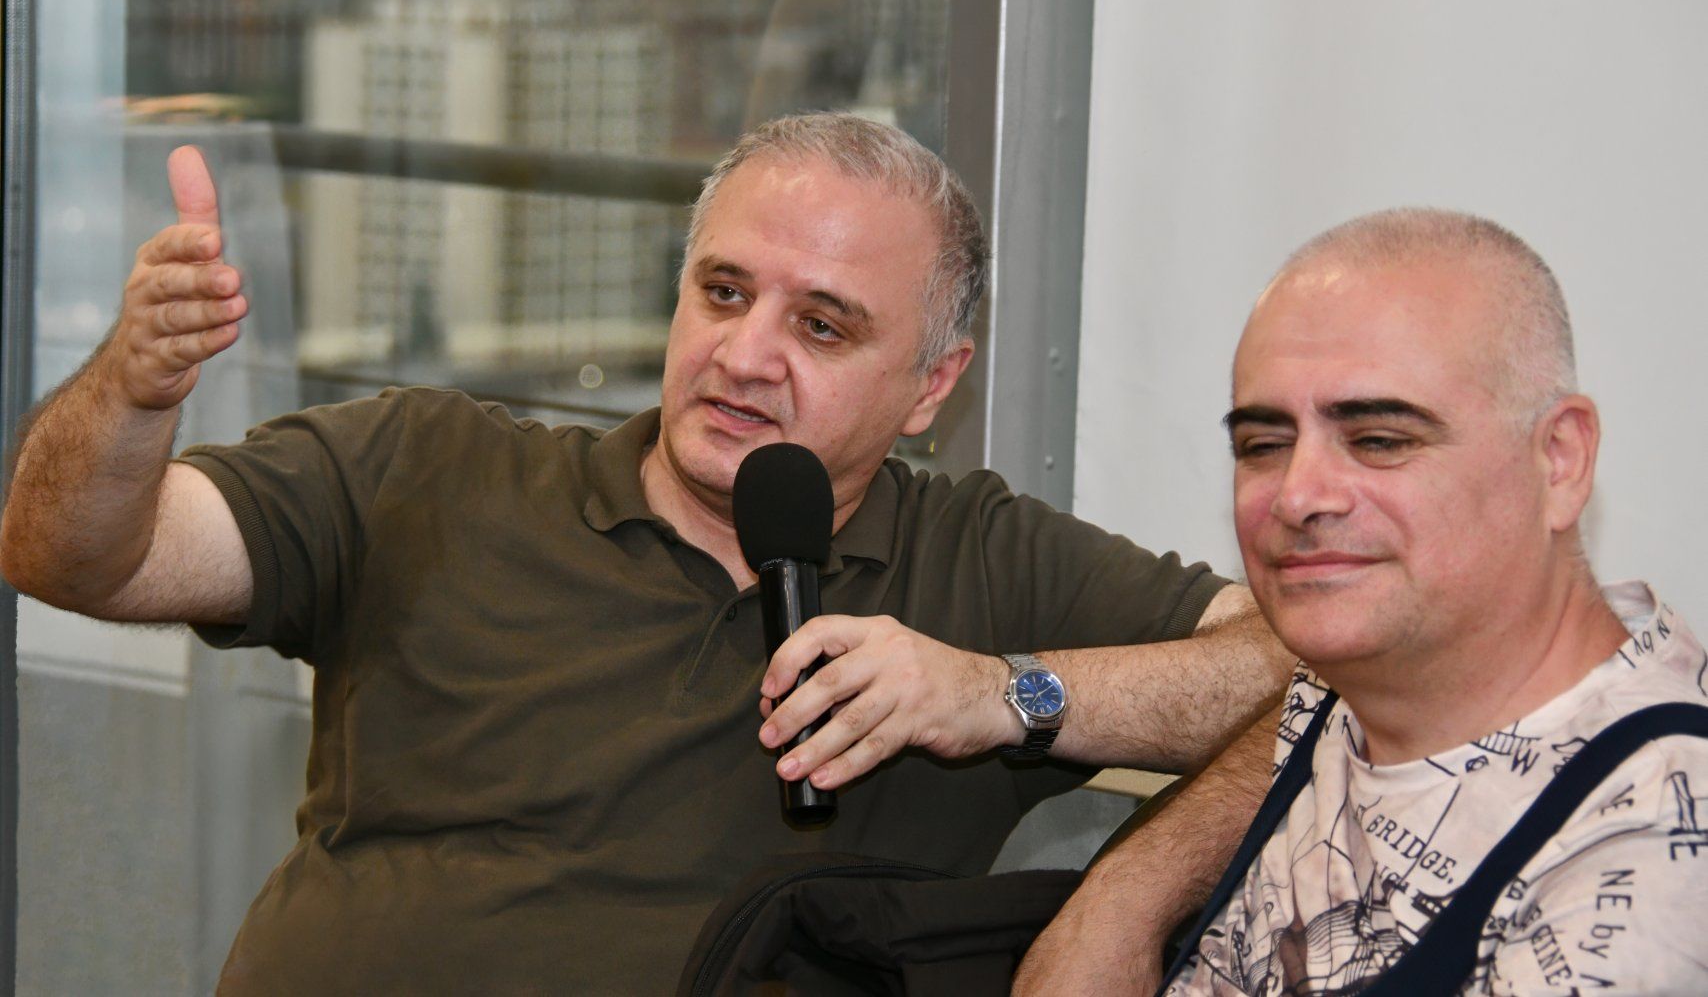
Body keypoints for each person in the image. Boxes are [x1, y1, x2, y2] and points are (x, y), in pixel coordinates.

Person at [0, 113, 1291, 994]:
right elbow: (74, 558)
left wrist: (1006, 698)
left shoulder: (980, 561)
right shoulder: (423, 467)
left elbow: (1317, 662)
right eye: (723, 293)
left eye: (822, 326)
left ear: (931, 387)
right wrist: (134, 389)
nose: (744, 354)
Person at [1018, 208, 1708, 994]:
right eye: (1262, 445)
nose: (1297, 495)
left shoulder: (1653, 855)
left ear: (1559, 459)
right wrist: (1123, 897)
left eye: (1380, 439)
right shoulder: (1368, 678)